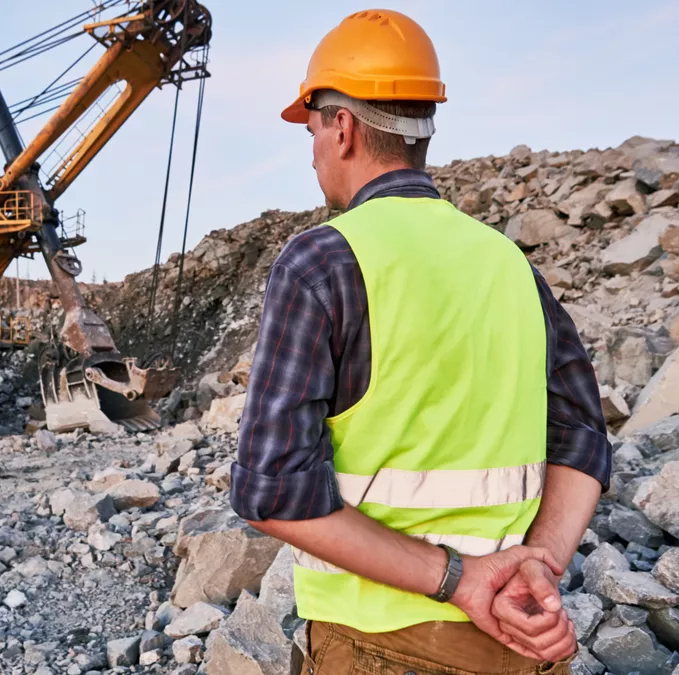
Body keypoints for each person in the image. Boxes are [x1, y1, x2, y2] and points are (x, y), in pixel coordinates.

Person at [229, 9, 612, 675]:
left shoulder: (323, 261)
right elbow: (583, 437)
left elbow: (273, 491)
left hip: (381, 646)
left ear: (342, 127)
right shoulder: (509, 263)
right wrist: (537, 569)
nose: (313, 152)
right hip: (521, 644)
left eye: (313, 131)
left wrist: (462, 580)